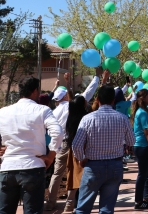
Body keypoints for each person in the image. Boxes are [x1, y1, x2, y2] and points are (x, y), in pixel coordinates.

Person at [0, 77, 63, 214]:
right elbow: (58, 133)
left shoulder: (3, 112)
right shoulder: (42, 110)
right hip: (33, 166)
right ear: (35, 91)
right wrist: (51, 155)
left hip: (8, 168)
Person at [72, 85, 136, 214]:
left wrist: (81, 159)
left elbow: (76, 145)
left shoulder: (88, 119)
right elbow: (131, 141)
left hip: (93, 166)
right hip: (115, 165)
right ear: (113, 100)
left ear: (97, 99)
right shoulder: (123, 118)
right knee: (107, 209)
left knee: (83, 208)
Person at [45, 71, 101, 211]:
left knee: (57, 174)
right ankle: (69, 205)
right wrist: (98, 77)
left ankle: (51, 202)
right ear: (65, 96)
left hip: (62, 144)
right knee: (74, 174)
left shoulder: (55, 111)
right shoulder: (76, 108)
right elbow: (89, 91)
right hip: (77, 145)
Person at [62, 95, 90, 213]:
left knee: (73, 178)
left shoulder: (70, 118)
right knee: (83, 179)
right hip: (84, 150)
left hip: (72, 150)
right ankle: (78, 204)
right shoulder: (85, 118)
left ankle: (70, 203)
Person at [132, 89, 148, 210]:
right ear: (143, 98)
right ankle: (138, 201)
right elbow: (147, 133)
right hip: (142, 146)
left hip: (143, 146)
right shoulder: (142, 113)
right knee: (142, 174)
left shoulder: (144, 111)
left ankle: (146, 197)